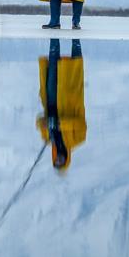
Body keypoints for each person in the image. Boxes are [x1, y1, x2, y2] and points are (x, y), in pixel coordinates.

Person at [35, 39, 86, 172]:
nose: (58, 159)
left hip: (51, 101)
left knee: (52, 66)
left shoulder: (48, 139)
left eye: (56, 161)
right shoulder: (77, 140)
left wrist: (43, 123)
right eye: (61, 162)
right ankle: (76, 38)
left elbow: (38, 123)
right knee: (74, 67)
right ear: (66, 160)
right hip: (69, 97)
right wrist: (59, 124)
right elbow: (80, 124)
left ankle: (54, 36)